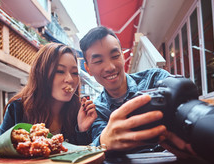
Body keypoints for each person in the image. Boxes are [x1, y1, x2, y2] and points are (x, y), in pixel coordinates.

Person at [80, 26, 194, 156]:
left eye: (115, 56)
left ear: (123, 56)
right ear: (88, 68)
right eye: (98, 61)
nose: (110, 67)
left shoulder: (156, 78)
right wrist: (103, 141)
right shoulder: (96, 110)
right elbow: (101, 148)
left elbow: (186, 108)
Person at [0, 43, 97, 145]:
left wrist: (82, 130)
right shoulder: (17, 109)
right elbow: (1, 151)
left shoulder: (79, 113)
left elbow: (84, 157)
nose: (70, 79)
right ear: (41, 74)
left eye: (74, 73)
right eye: (60, 71)